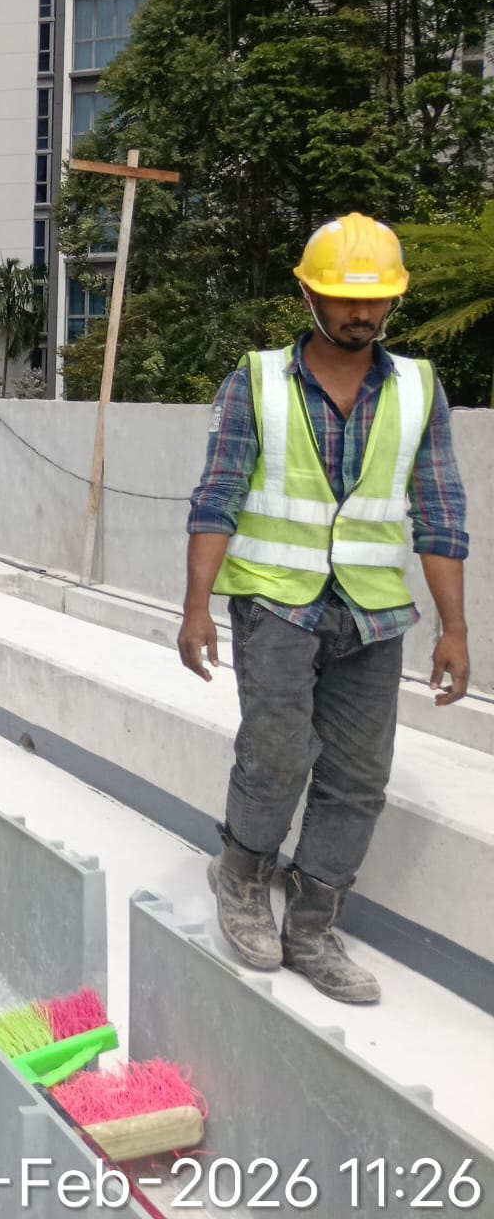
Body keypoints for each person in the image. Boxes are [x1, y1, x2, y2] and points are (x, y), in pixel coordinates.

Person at [179, 213, 470, 1005]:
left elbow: (441, 513)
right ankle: (242, 877)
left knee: (359, 776)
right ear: (308, 293)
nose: (360, 313)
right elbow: (218, 496)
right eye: (344, 297)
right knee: (277, 752)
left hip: (373, 614)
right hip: (276, 602)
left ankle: (312, 924)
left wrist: (455, 628)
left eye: (374, 300)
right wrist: (197, 606)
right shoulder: (257, 382)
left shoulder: (419, 390)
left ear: (394, 301)